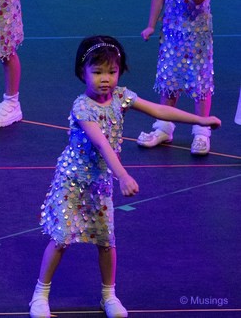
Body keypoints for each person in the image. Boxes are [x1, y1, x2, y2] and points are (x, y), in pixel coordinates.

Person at [29, 35, 221, 318]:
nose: (105, 79)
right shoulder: (82, 107)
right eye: (97, 72)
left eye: (111, 71)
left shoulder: (122, 97)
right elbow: (102, 144)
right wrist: (123, 175)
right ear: (82, 73)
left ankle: (109, 295)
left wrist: (200, 120)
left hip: (101, 183)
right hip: (73, 181)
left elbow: (159, 110)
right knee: (61, 239)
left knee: (107, 241)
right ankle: (40, 295)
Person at [137, 0, 220, 155]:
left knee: (200, 84)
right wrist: (151, 25)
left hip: (197, 34)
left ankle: (201, 131)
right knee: (169, 81)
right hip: (172, 32)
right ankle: (164, 126)